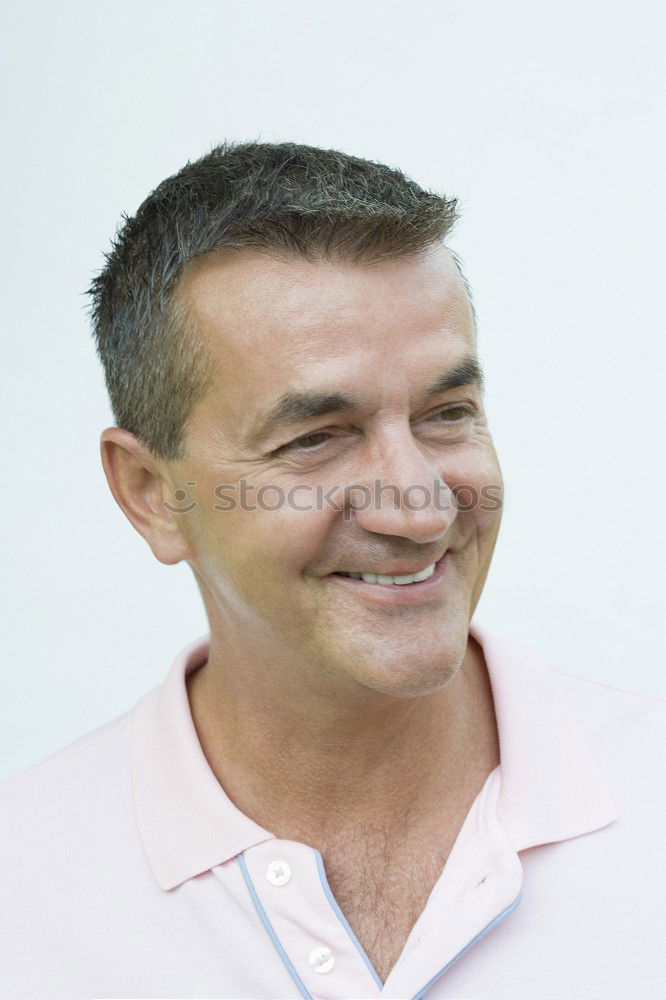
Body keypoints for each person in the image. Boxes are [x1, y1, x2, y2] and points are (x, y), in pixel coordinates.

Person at [1, 141, 664, 1000]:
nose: (421, 507)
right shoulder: (22, 895)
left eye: (448, 413)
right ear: (150, 492)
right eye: (317, 437)